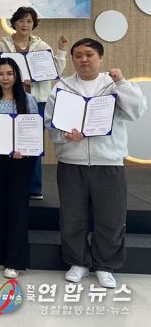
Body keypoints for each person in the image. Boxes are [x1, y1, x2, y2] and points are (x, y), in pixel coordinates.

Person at [45, 38, 146, 289]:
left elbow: (136, 111)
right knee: (72, 216)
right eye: (78, 55)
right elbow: (50, 122)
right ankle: (77, 262)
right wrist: (64, 135)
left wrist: (122, 83)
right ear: (72, 59)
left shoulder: (113, 84)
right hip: (72, 162)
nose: (84, 59)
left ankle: (105, 266)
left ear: (100, 57)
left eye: (89, 54)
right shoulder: (62, 87)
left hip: (108, 162)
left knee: (111, 217)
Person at [0, 57, 38, 278]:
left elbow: (33, 129)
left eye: (9, 73)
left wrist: (24, 148)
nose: (5, 78)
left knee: (17, 207)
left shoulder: (28, 100)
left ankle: (15, 260)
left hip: (21, 159)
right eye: (1, 74)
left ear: (16, 76)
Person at [0, 7, 67, 200]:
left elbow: (55, 71)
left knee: (33, 143)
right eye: (21, 20)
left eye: (29, 21)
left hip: (38, 100)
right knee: (9, 141)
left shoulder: (42, 45)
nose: (25, 24)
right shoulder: (3, 44)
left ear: (34, 24)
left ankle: (34, 187)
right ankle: (11, 184)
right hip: (11, 99)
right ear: (14, 23)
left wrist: (61, 50)